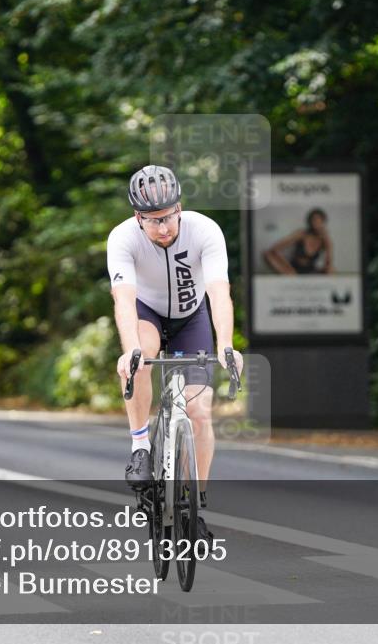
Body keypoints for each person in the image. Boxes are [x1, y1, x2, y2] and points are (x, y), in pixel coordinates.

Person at [107, 165, 243, 544]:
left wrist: (226, 345)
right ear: (138, 218)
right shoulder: (122, 239)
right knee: (140, 358)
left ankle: (196, 506)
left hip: (190, 317)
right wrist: (130, 348)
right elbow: (123, 301)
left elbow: (218, 292)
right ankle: (139, 448)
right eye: (151, 221)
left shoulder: (205, 231)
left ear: (179, 207)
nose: (162, 228)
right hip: (147, 315)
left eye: (167, 217)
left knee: (199, 412)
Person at [263, 208, 333, 274]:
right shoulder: (302, 234)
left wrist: (327, 241)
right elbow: (275, 248)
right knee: (267, 254)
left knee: (331, 270)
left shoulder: (325, 239)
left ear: (323, 222)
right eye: (314, 220)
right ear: (310, 222)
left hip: (311, 270)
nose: (317, 222)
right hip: (293, 269)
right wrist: (285, 264)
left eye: (320, 220)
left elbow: (328, 263)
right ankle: (292, 275)